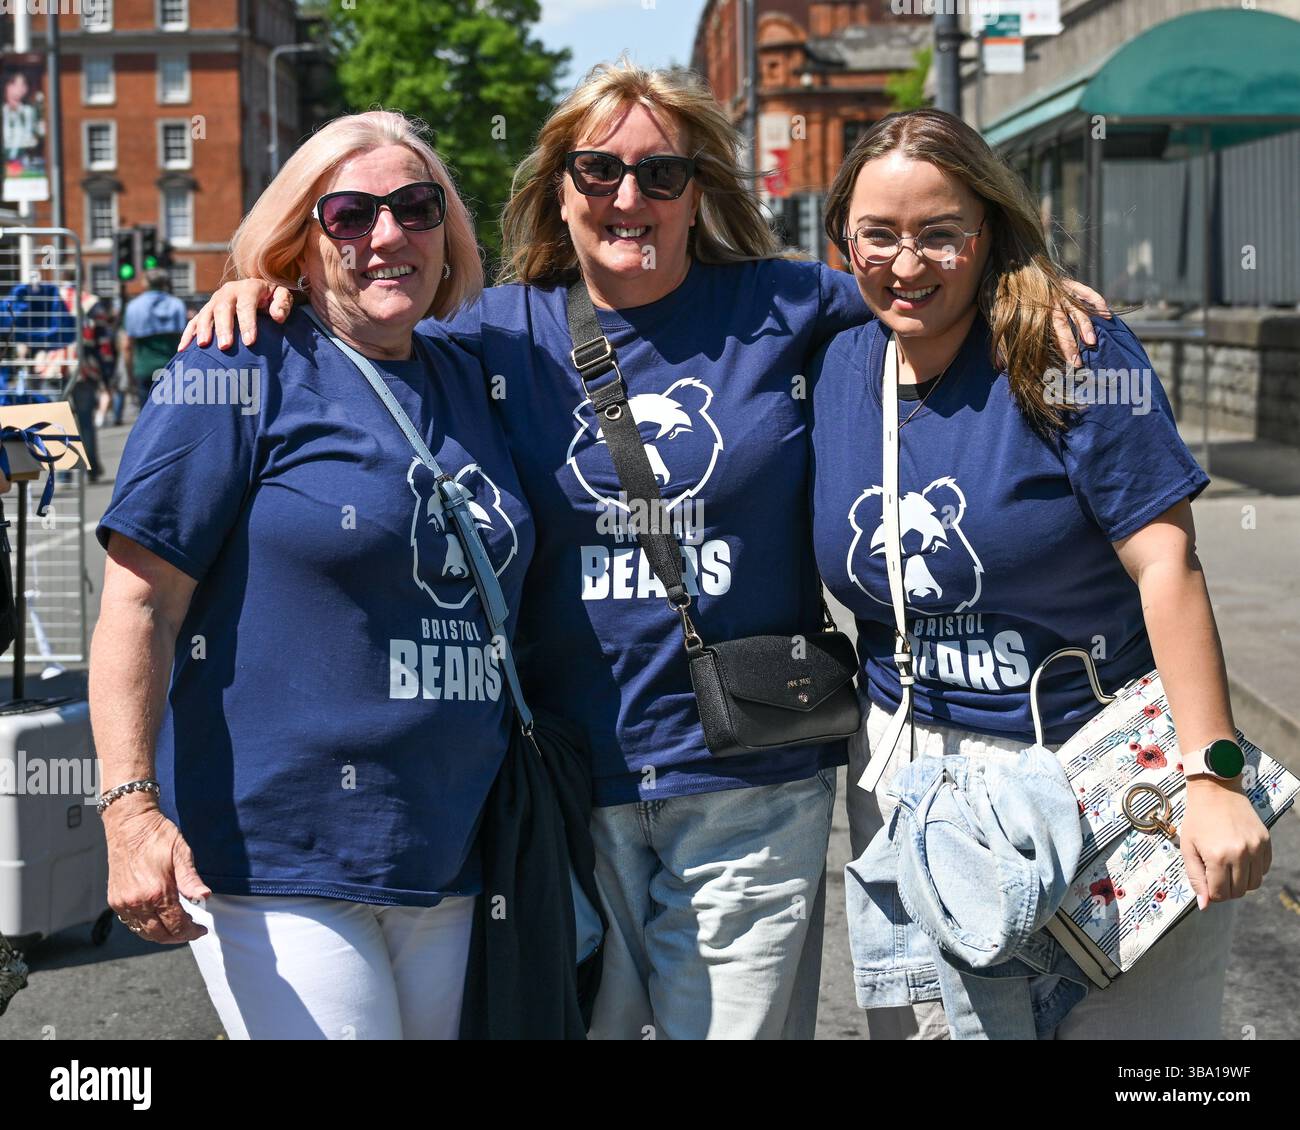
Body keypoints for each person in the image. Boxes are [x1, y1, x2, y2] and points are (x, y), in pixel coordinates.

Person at [182, 60, 1108, 1041]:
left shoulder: (788, 304)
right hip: (571, 786)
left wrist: (1025, 285)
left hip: (751, 776)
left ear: (697, 191)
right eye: (598, 172)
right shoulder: (493, 331)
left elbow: (923, 284)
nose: (630, 197)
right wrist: (251, 291)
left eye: (661, 175)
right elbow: (362, 318)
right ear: (557, 190)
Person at [808, 108, 1271, 1039]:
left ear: (990, 235)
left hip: (1094, 774)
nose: (908, 265)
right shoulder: (831, 363)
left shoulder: (1071, 355)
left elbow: (1168, 564)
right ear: (840, 242)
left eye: (942, 235)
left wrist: (1214, 773)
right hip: (909, 786)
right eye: (880, 236)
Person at [90, 110, 536, 1040]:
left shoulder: (474, 372)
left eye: (416, 209)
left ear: (446, 233)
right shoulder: (237, 365)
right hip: (276, 852)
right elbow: (139, 603)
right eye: (349, 215)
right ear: (302, 235)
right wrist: (129, 817)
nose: (388, 236)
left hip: (448, 846)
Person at [121, 270, 187, 413]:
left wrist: (129, 374)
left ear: (145, 284)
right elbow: (185, 339)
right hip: (172, 368)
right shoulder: (177, 305)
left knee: (146, 415)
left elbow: (127, 346)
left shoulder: (133, 307)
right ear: (164, 283)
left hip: (144, 369)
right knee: (171, 415)